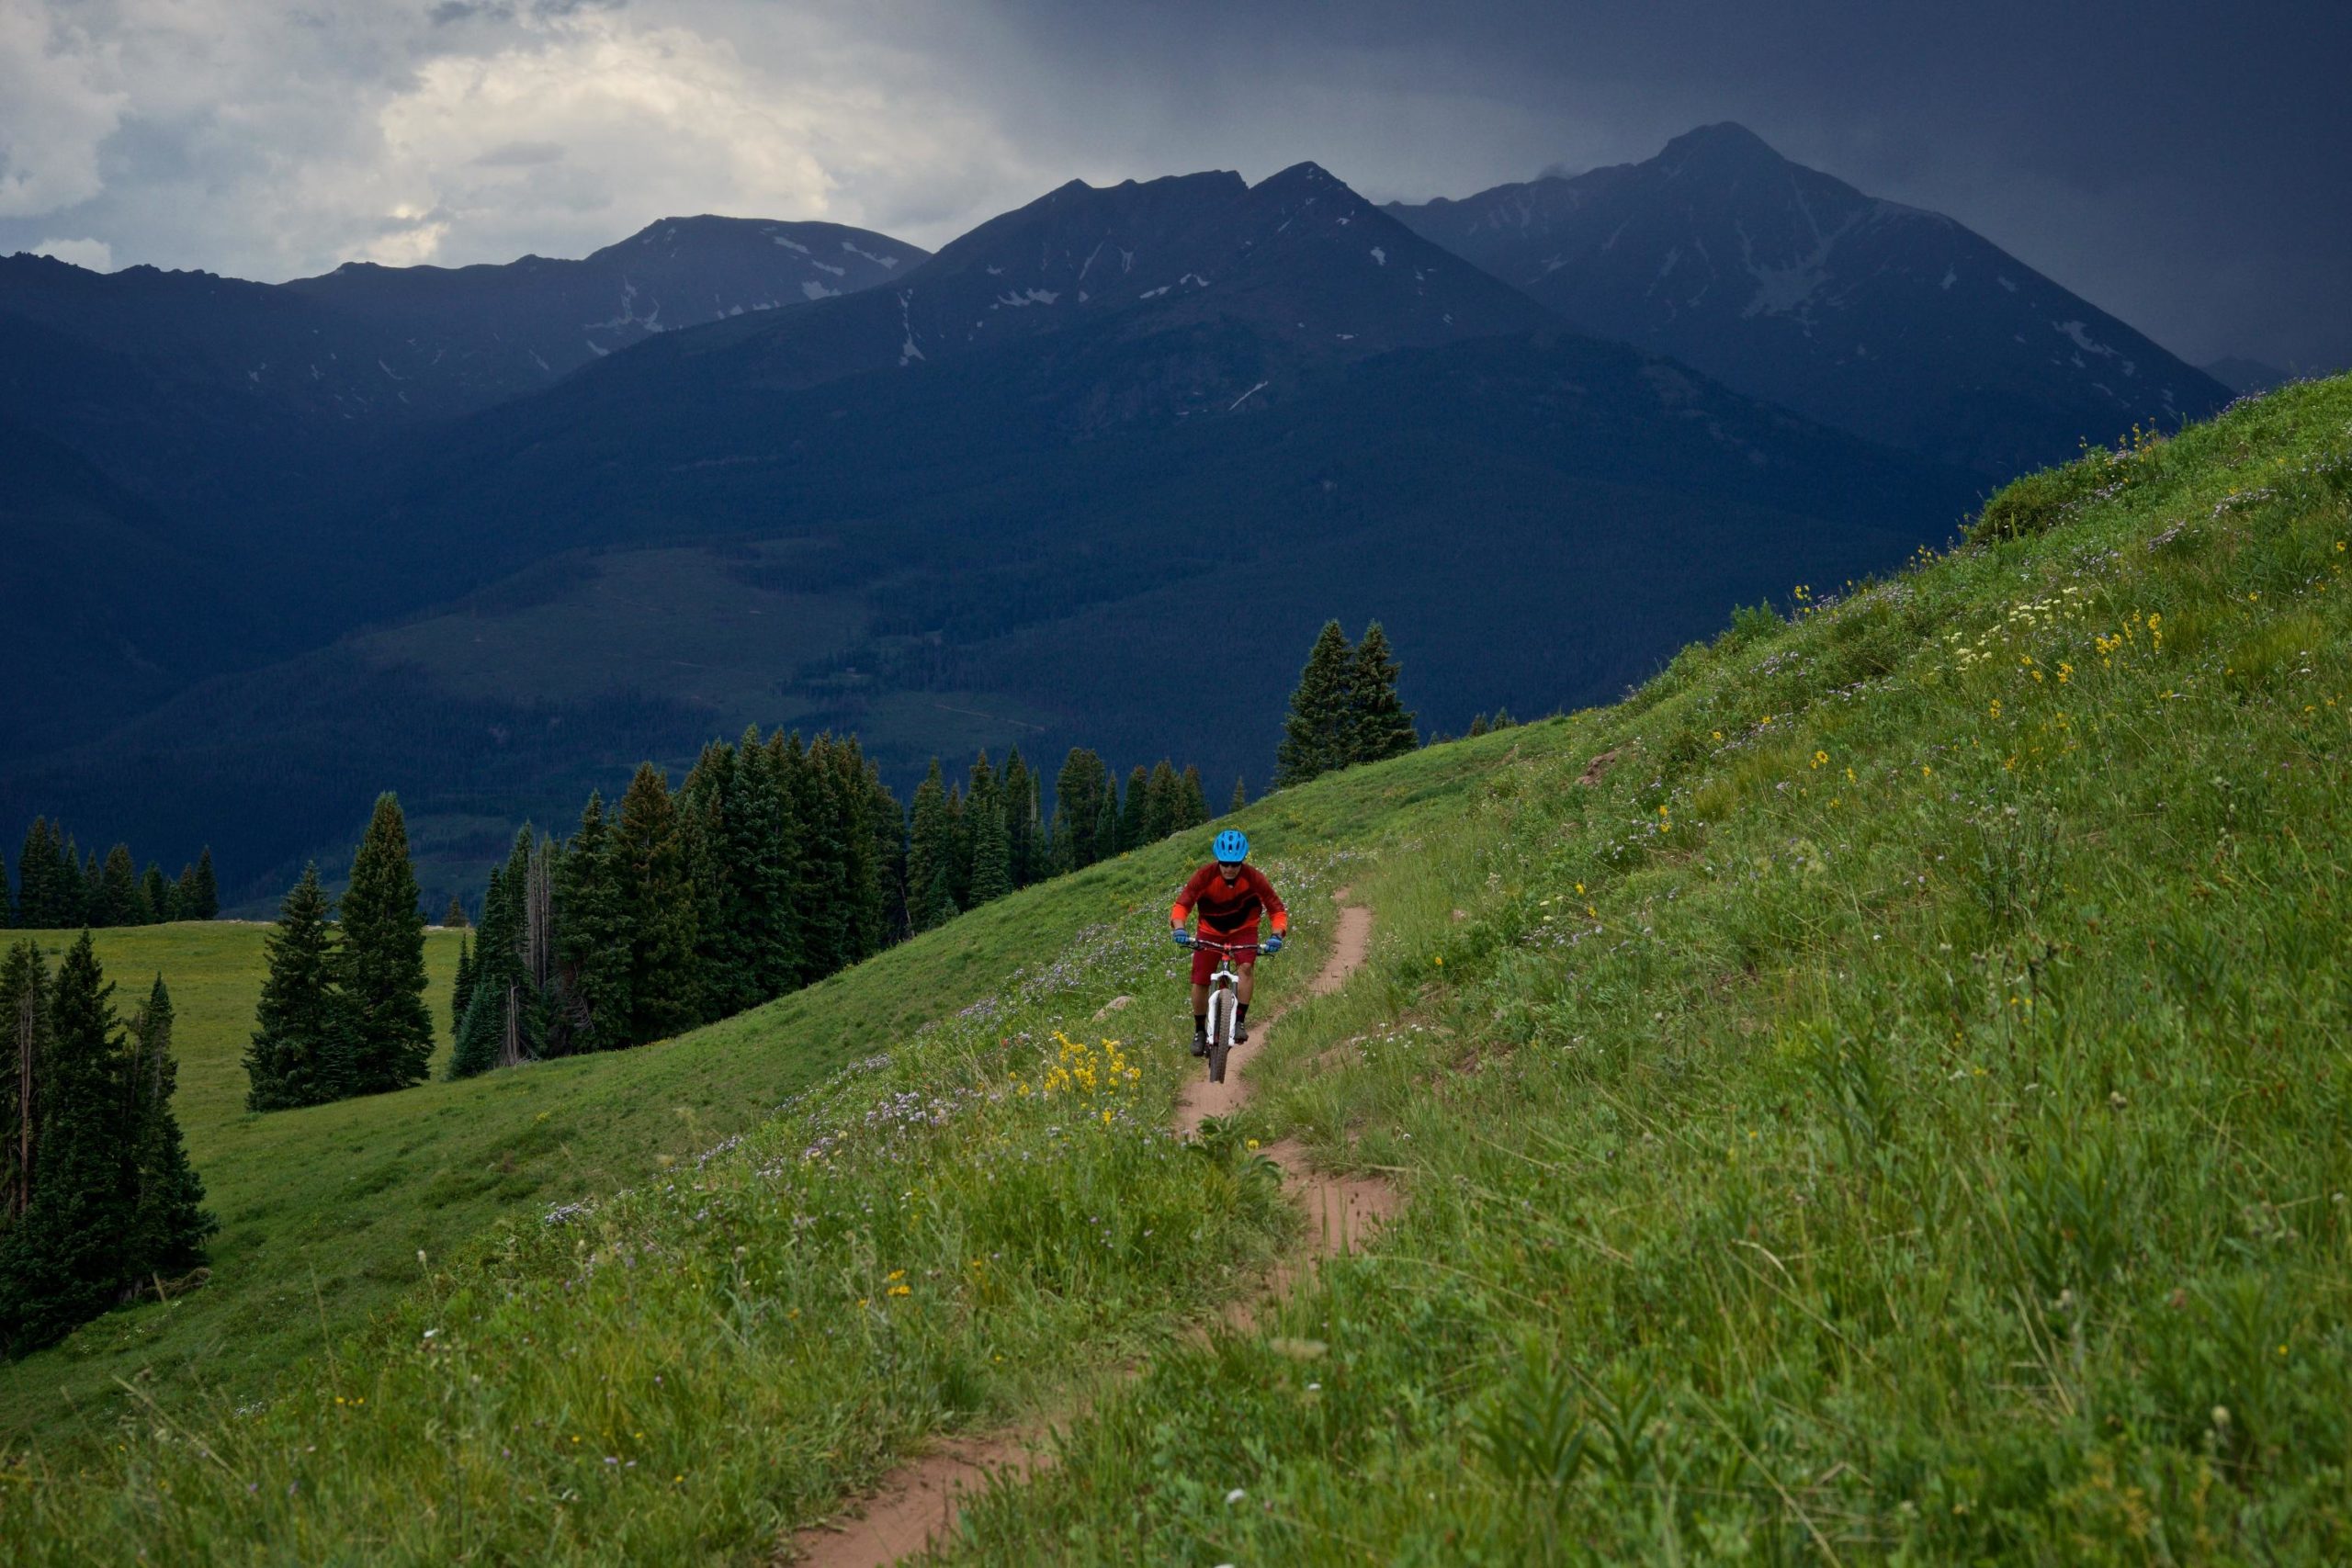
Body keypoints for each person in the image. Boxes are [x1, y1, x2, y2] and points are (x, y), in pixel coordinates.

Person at [1170, 829, 1287, 1056]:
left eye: (1235, 864)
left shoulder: (1254, 879)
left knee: (1246, 968)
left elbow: (1276, 909)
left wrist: (1276, 935)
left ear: (1242, 861)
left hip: (1244, 930)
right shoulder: (1204, 876)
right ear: (1218, 860)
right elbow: (1182, 905)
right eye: (1225, 863)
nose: (1229, 868)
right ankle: (1199, 1031)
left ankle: (1239, 1021)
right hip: (1210, 931)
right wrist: (1180, 928)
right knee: (1201, 979)